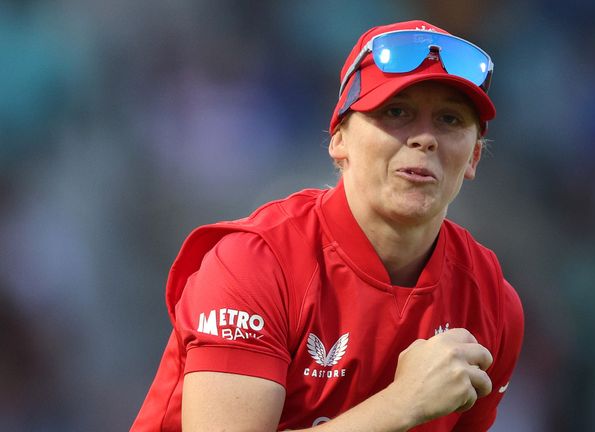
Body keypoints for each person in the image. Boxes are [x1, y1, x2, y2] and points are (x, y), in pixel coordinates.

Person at [132, 19, 524, 431]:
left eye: (449, 120)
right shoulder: (254, 264)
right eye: (396, 111)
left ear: (474, 157)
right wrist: (403, 403)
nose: (425, 138)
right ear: (338, 139)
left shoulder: (493, 304)